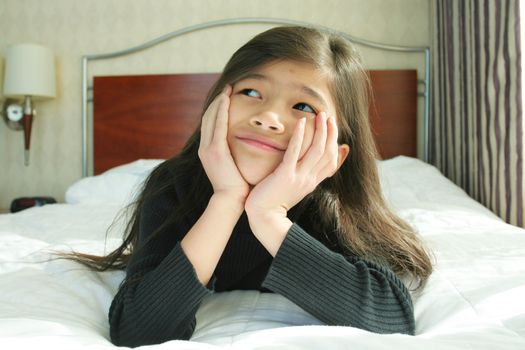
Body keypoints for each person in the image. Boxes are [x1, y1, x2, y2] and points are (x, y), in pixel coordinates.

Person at [67, 25, 432, 347]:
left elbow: (393, 321)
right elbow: (137, 331)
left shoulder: (333, 204)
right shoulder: (174, 185)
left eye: (303, 106)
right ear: (215, 106)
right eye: (252, 93)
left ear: (335, 156)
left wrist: (268, 214)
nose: (268, 118)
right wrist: (227, 199)